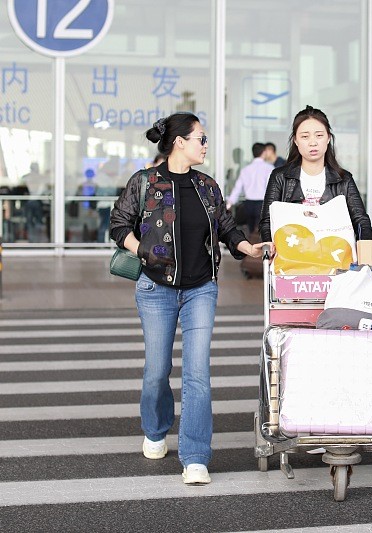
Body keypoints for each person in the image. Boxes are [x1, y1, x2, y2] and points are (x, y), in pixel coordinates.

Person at [109, 112, 266, 486]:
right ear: (179, 141)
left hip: (200, 288)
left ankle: (195, 456)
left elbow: (227, 228)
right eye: (201, 138)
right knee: (156, 371)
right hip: (155, 288)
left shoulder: (208, 187)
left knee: (197, 374)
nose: (205, 144)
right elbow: (118, 223)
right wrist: (142, 249)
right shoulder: (145, 182)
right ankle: (156, 427)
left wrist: (249, 249)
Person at [258, 105, 372, 256]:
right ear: (296, 141)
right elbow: (267, 220)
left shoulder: (344, 179)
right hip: (292, 260)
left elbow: (361, 221)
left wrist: (365, 253)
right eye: (305, 137)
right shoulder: (280, 177)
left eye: (319, 135)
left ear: (328, 138)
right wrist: (269, 246)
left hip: (334, 261)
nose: (313, 142)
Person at [226, 143, 274, 233]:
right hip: (262, 204)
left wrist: (230, 203)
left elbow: (237, 188)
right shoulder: (269, 168)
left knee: (251, 231)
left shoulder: (245, 169)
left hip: (248, 204)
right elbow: (271, 188)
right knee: (263, 232)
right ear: (264, 152)